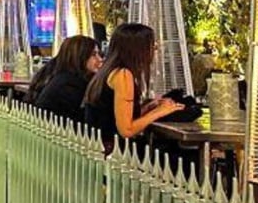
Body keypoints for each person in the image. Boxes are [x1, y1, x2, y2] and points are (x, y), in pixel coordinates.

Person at [82, 22, 184, 152]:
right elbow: (126, 130)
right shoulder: (123, 75)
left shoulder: (107, 71)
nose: (154, 51)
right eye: (152, 46)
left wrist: (147, 108)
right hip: (114, 151)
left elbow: (111, 116)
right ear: (138, 49)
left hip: (98, 146)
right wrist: (159, 112)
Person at [28, 35, 100, 123]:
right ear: (79, 56)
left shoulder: (63, 77)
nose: (99, 59)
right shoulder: (70, 85)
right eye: (93, 55)